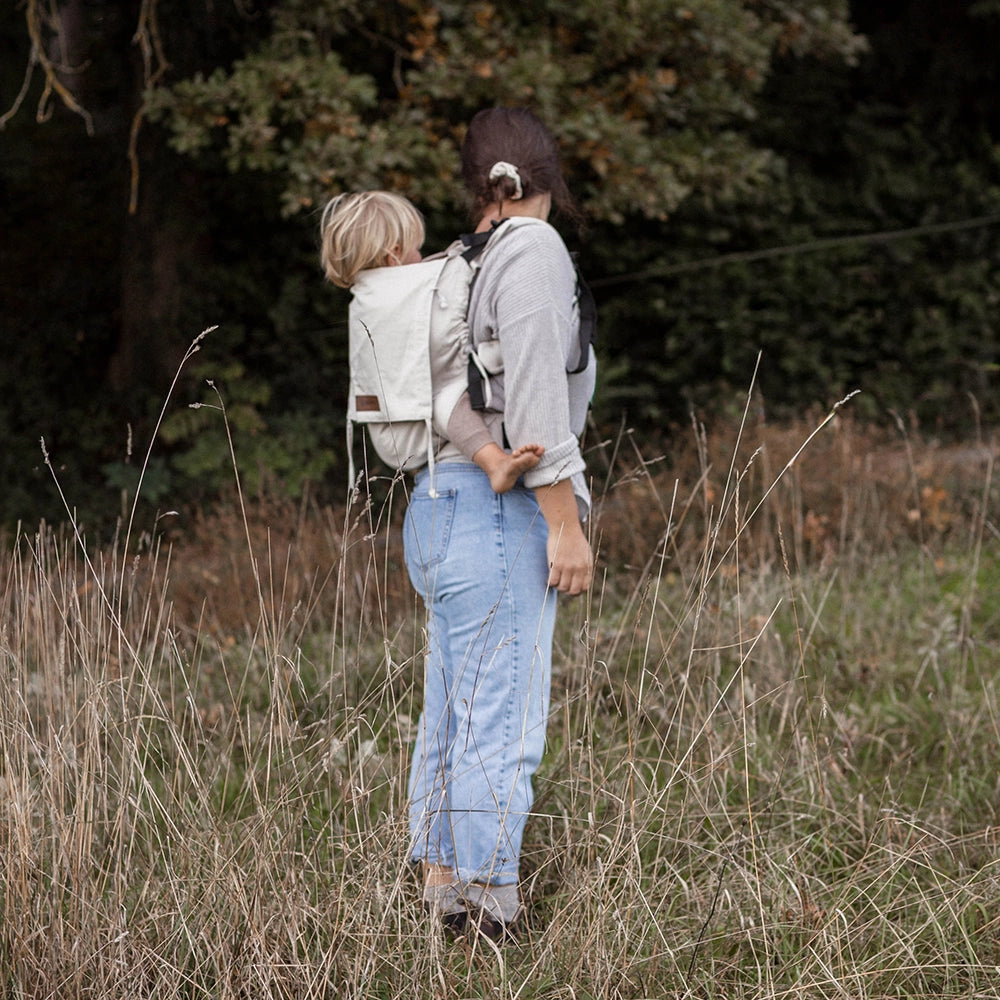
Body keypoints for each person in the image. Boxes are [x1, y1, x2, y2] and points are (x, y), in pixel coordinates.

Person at [404, 107, 596, 941]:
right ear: (547, 179)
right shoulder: (534, 250)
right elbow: (538, 405)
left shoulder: (453, 266)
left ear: (471, 186)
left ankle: (441, 890)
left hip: (436, 507)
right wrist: (564, 523)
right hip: (501, 510)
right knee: (501, 715)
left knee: (452, 707)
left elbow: (441, 396)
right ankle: (486, 911)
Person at [319, 189, 543, 493]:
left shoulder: (365, 300)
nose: (422, 258)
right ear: (393, 255)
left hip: (390, 431)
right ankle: (496, 464)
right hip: (415, 430)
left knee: (441, 397)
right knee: (446, 398)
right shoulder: (391, 298)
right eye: (416, 249)